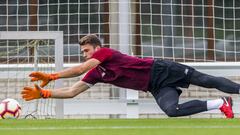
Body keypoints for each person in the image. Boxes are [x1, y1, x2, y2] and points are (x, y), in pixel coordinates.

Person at [21, 34, 239, 118]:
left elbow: (78, 70)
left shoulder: (106, 53)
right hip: (155, 86)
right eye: (83, 52)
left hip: (162, 69)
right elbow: (71, 91)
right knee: (172, 111)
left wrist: (52, 75)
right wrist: (46, 93)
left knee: (208, 81)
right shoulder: (97, 74)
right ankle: (221, 103)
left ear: (97, 48)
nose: (85, 55)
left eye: (87, 51)